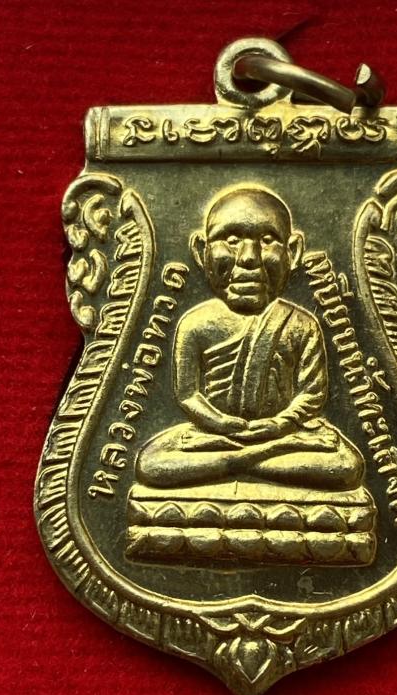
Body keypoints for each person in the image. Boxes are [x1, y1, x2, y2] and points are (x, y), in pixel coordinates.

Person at [136, 185, 364, 491]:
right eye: (231, 240)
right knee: (151, 463)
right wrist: (219, 423)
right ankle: (249, 462)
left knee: (347, 466)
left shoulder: (302, 324)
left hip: (285, 435)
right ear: (201, 251)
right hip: (213, 437)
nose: (248, 258)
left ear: (293, 252)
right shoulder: (195, 323)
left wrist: (278, 425)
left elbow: (312, 395)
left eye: (267, 240)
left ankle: (236, 464)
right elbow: (188, 394)